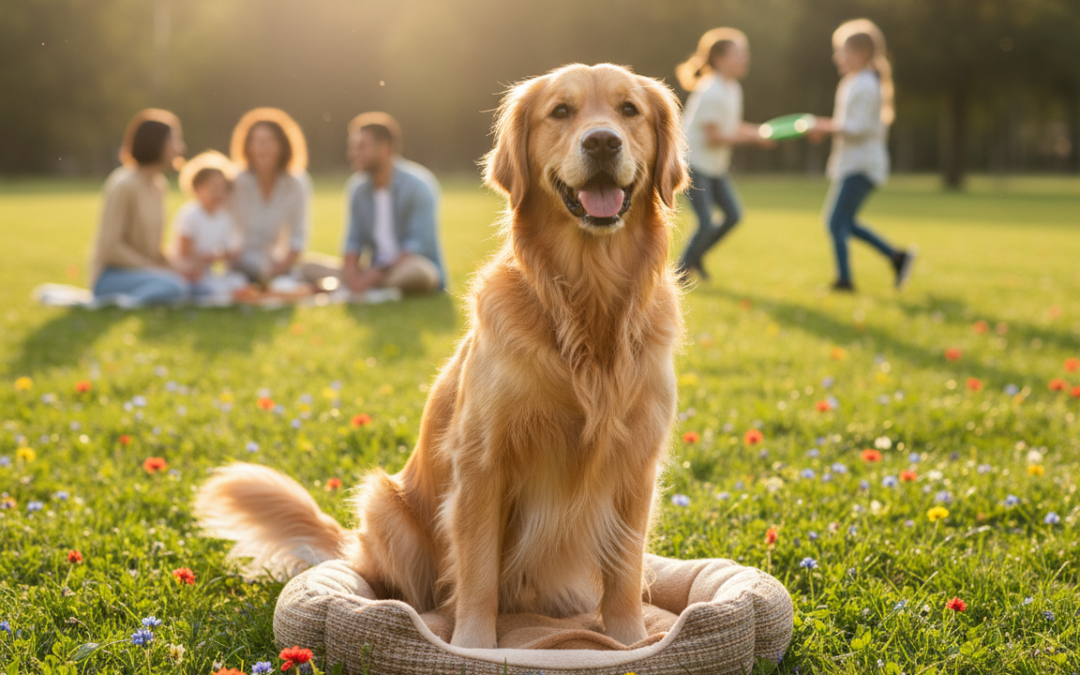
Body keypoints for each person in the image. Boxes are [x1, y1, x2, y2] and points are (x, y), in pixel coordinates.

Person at [809, 19, 915, 292]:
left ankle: (845, 281)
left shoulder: (866, 85)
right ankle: (897, 257)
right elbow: (849, 125)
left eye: (841, 51)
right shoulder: (853, 82)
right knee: (845, 223)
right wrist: (828, 127)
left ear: (861, 53)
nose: (837, 57)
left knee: (835, 222)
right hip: (853, 164)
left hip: (863, 165)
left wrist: (825, 126)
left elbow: (859, 128)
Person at [675, 28, 774, 281]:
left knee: (733, 216)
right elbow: (714, 135)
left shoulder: (732, 88)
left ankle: (696, 257)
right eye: (740, 54)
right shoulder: (711, 90)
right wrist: (754, 138)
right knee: (706, 222)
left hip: (715, 166)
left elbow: (732, 125)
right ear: (719, 59)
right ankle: (680, 273)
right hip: (694, 164)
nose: (746, 59)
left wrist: (761, 131)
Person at [89, 109, 190, 306]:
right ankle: (124, 304)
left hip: (145, 273)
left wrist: (176, 265)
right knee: (174, 286)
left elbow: (153, 247)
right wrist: (153, 269)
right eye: (175, 141)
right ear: (157, 143)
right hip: (111, 276)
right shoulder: (123, 184)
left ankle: (131, 300)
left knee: (187, 282)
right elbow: (111, 247)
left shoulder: (158, 185)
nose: (180, 148)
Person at [339, 112, 446, 297]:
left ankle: (371, 289)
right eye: (353, 148)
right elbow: (353, 241)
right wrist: (351, 275)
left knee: (421, 273)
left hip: (408, 268)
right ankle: (373, 290)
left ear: (385, 148)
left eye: (361, 147)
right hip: (371, 270)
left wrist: (373, 276)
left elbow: (418, 245)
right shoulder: (357, 188)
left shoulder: (419, 185)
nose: (353, 154)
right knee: (308, 267)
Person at [228, 108, 313, 285]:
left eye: (269, 142)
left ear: (282, 147)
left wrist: (281, 266)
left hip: (278, 262)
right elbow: (224, 227)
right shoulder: (236, 182)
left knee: (311, 271)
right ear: (248, 147)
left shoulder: (297, 183)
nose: (263, 148)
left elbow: (298, 235)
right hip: (241, 262)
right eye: (257, 142)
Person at [171, 151, 247, 301]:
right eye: (212, 188)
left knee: (238, 281)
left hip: (209, 274)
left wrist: (230, 254)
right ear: (197, 189)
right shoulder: (190, 216)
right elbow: (184, 253)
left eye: (222, 189)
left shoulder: (225, 217)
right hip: (188, 272)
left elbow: (228, 249)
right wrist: (212, 256)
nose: (217, 194)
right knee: (202, 289)